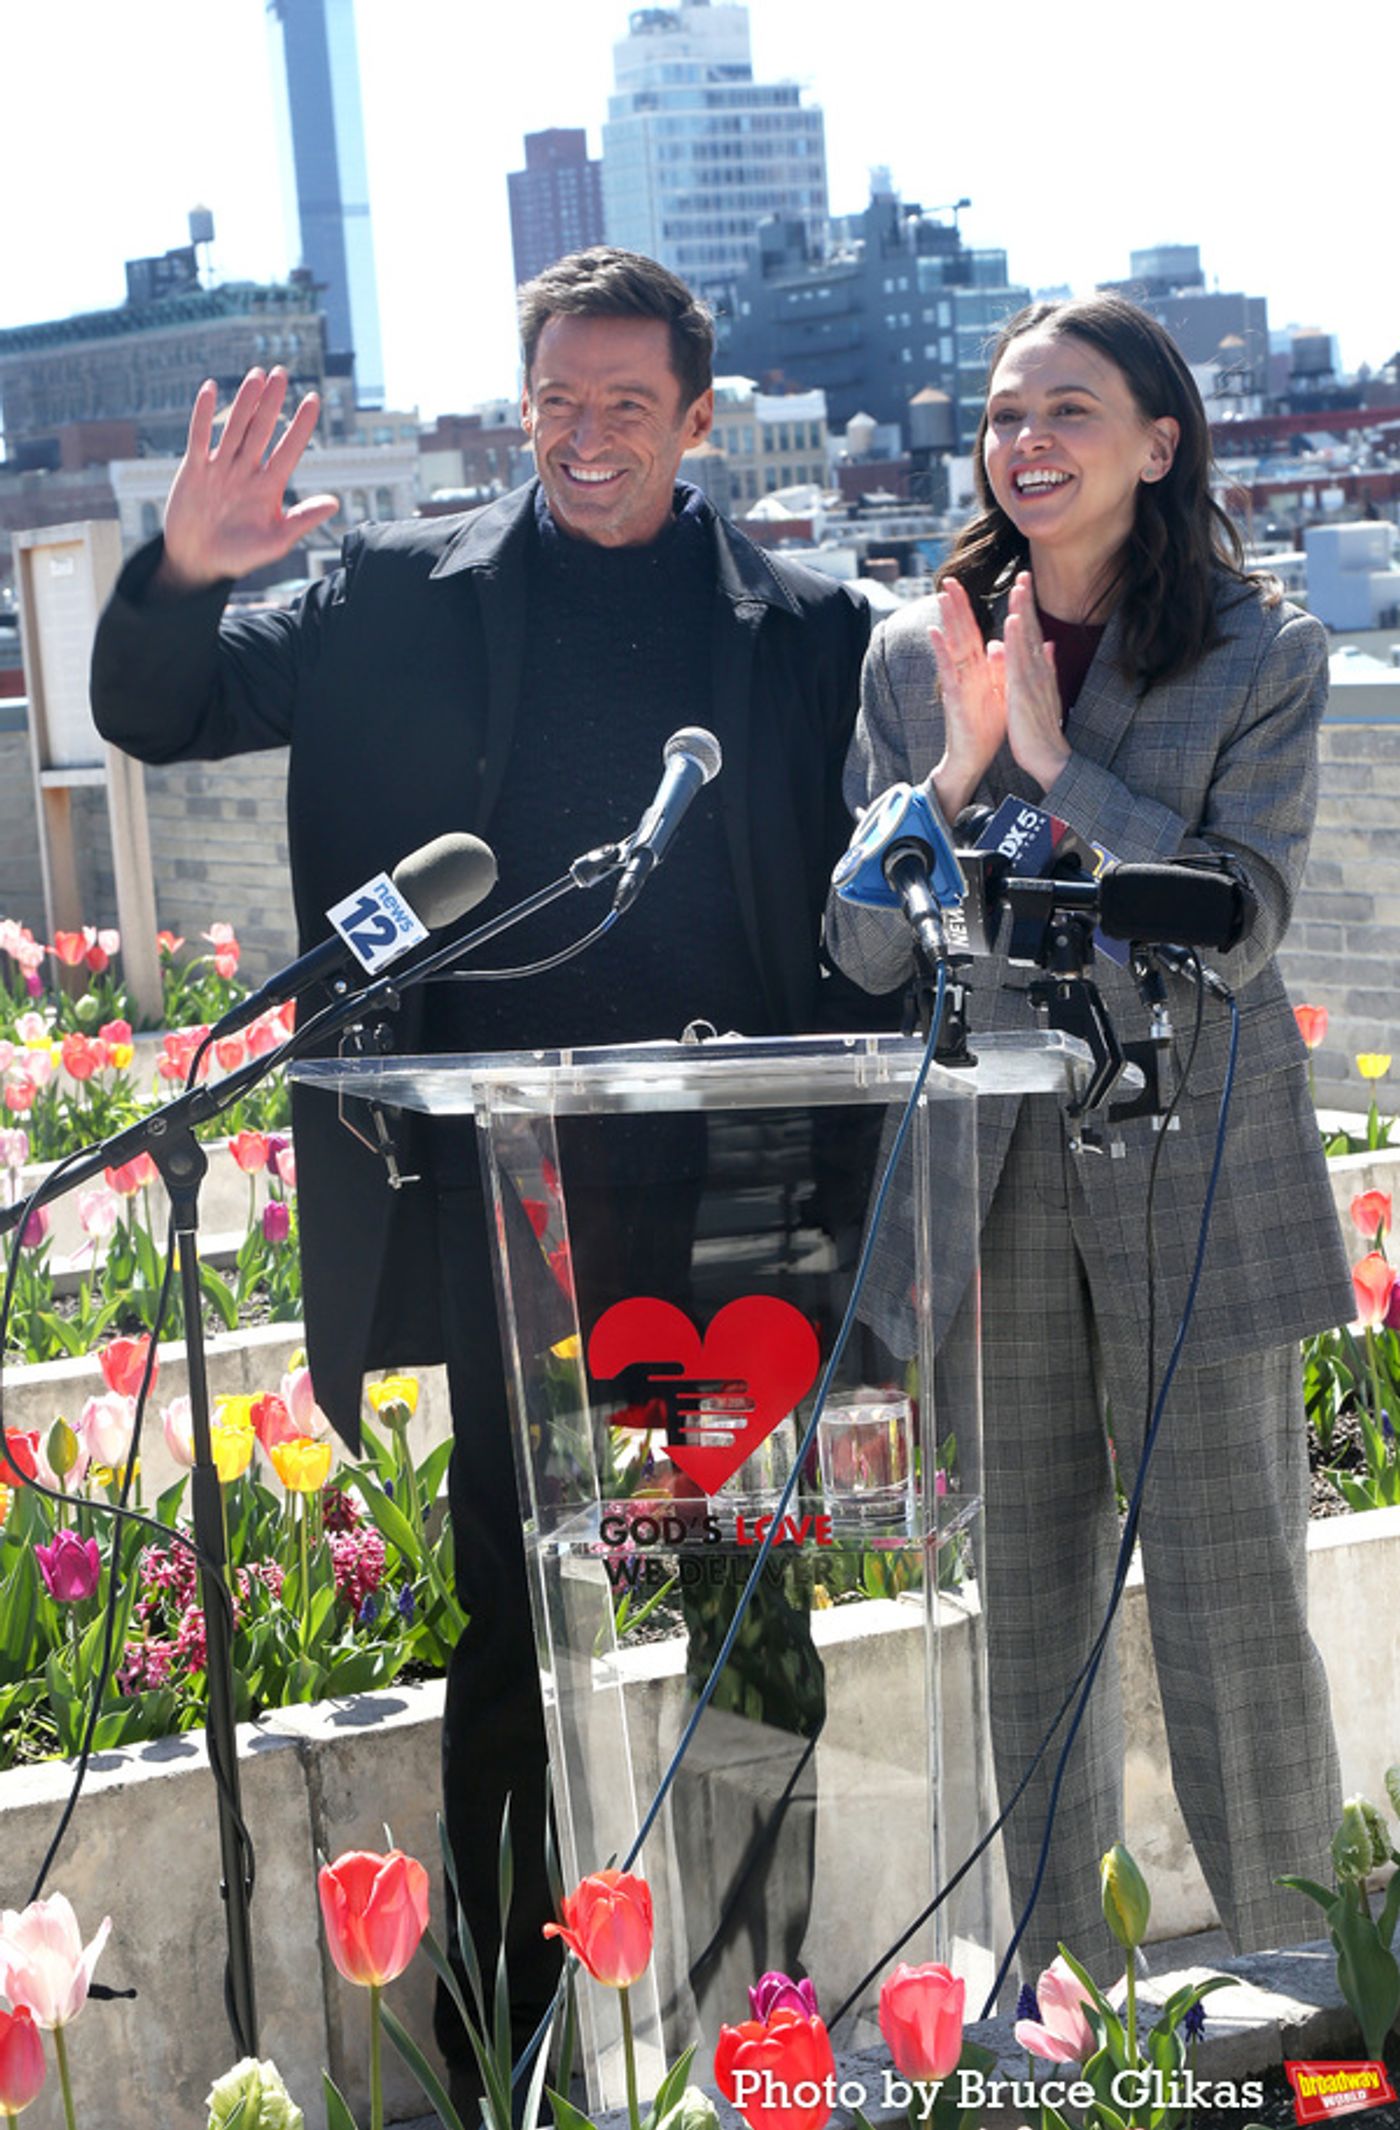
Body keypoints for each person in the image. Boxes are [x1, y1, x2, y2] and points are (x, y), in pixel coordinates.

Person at [89, 247, 873, 2099]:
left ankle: (762, 2026)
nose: (584, 437)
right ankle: (504, 2053)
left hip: (737, 1202)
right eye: (554, 403)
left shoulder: (817, 630)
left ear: (699, 416)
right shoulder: (389, 602)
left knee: (750, 1618)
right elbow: (155, 708)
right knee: (513, 1640)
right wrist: (184, 568)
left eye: (625, 405)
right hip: (507, 1214)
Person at [825, 292, 1351, 1980]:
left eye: (1068, 409)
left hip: (1192, 1168)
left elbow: (1238, 922)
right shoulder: (919, 658)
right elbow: (858, 947)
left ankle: (1316, 2008)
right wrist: (962, 771)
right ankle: (1065, 2025)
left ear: (1158, 442)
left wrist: (1052, 766)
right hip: (992, 1174)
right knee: (1027, 1622)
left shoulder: (1265, 648)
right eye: (1002, 414)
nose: (1026, 440)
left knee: (1231, 1615)